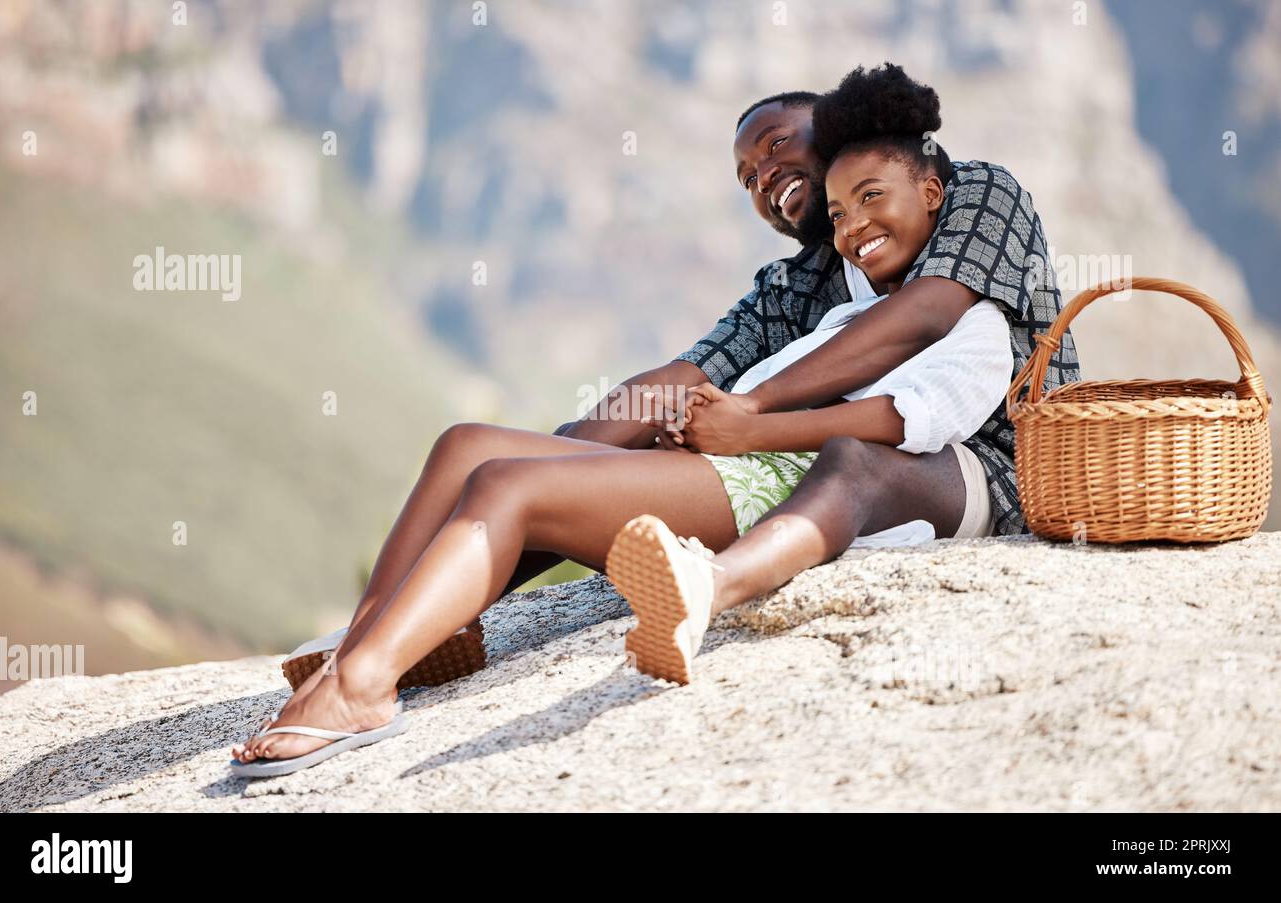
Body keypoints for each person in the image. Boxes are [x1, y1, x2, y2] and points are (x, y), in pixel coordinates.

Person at [233, 64, 1079, 776]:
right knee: (474, 452)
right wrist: (565, 457)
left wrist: (748, 413)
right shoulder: (802, 283)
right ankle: (374, 639)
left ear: (835, 130)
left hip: (977, 458)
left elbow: (927, 316)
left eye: (777, 147)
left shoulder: (974, 192)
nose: (764, 178)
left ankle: (371, 677)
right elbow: (680, 377)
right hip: (815, 452)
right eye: (747, 176)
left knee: (528, 483)